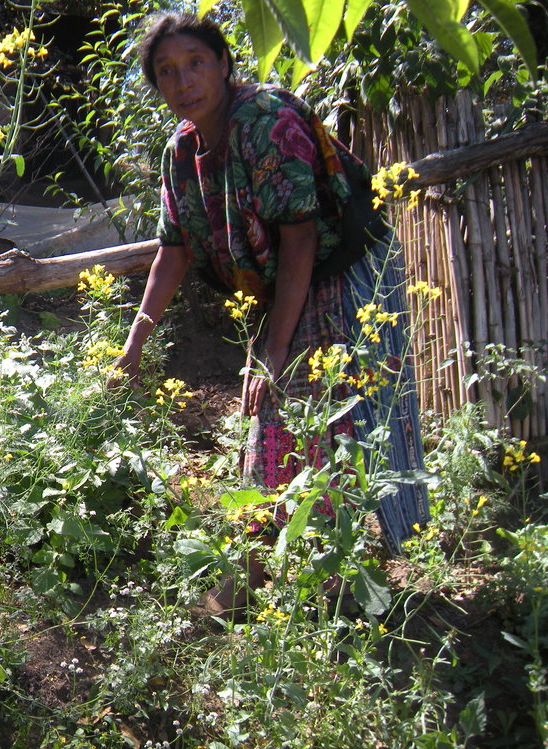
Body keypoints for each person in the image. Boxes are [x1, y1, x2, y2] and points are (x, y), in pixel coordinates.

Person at [115, 12, 429, 614]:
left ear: (225, 64)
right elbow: (171, 254)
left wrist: (274, 350)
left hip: (345, 269)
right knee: (274, 413)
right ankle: (259, 569)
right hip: (283, 282)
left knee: (353, 410)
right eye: (167, 72)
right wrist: (132, 349)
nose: (184, 81)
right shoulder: (181, 152)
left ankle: (381, 577)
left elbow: (302, 239)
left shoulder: (267, 121)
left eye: (196, 63)